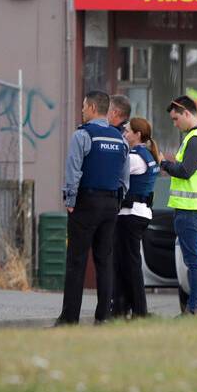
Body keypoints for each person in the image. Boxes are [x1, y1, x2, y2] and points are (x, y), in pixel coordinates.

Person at [56, 91, 129, 325]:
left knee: (76, 260)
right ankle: (103, 317)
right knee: (104, 261)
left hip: (86, 203)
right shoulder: (120, 139)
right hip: (110, 205)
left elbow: (74, 169)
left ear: (92, 107)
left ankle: (69, 318)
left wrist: (70, 200)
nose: (82, 110)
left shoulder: (83, 135)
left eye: (84, 106)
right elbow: (123, 178)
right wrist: (117, 201)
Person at [161, 96, 197, 314]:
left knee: (194, 262)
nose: (175, 124)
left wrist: (163, 163)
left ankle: (194, 308)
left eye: (176, 119)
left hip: (190, 209)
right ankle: (195, 307)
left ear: (186, 112)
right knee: (195, 261)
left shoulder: (195, 138)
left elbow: (185, 171)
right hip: (196, 209)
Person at [112, 117, 160, 318]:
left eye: (128, 131)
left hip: (130, 215)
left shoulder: (134, 157)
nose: (124, 134)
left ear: (138, 135)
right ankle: (126, 308)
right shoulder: (148, 155)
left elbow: (114, 174)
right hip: (139, 213)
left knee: (129, 264)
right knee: (127, 262)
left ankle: (139, 311)